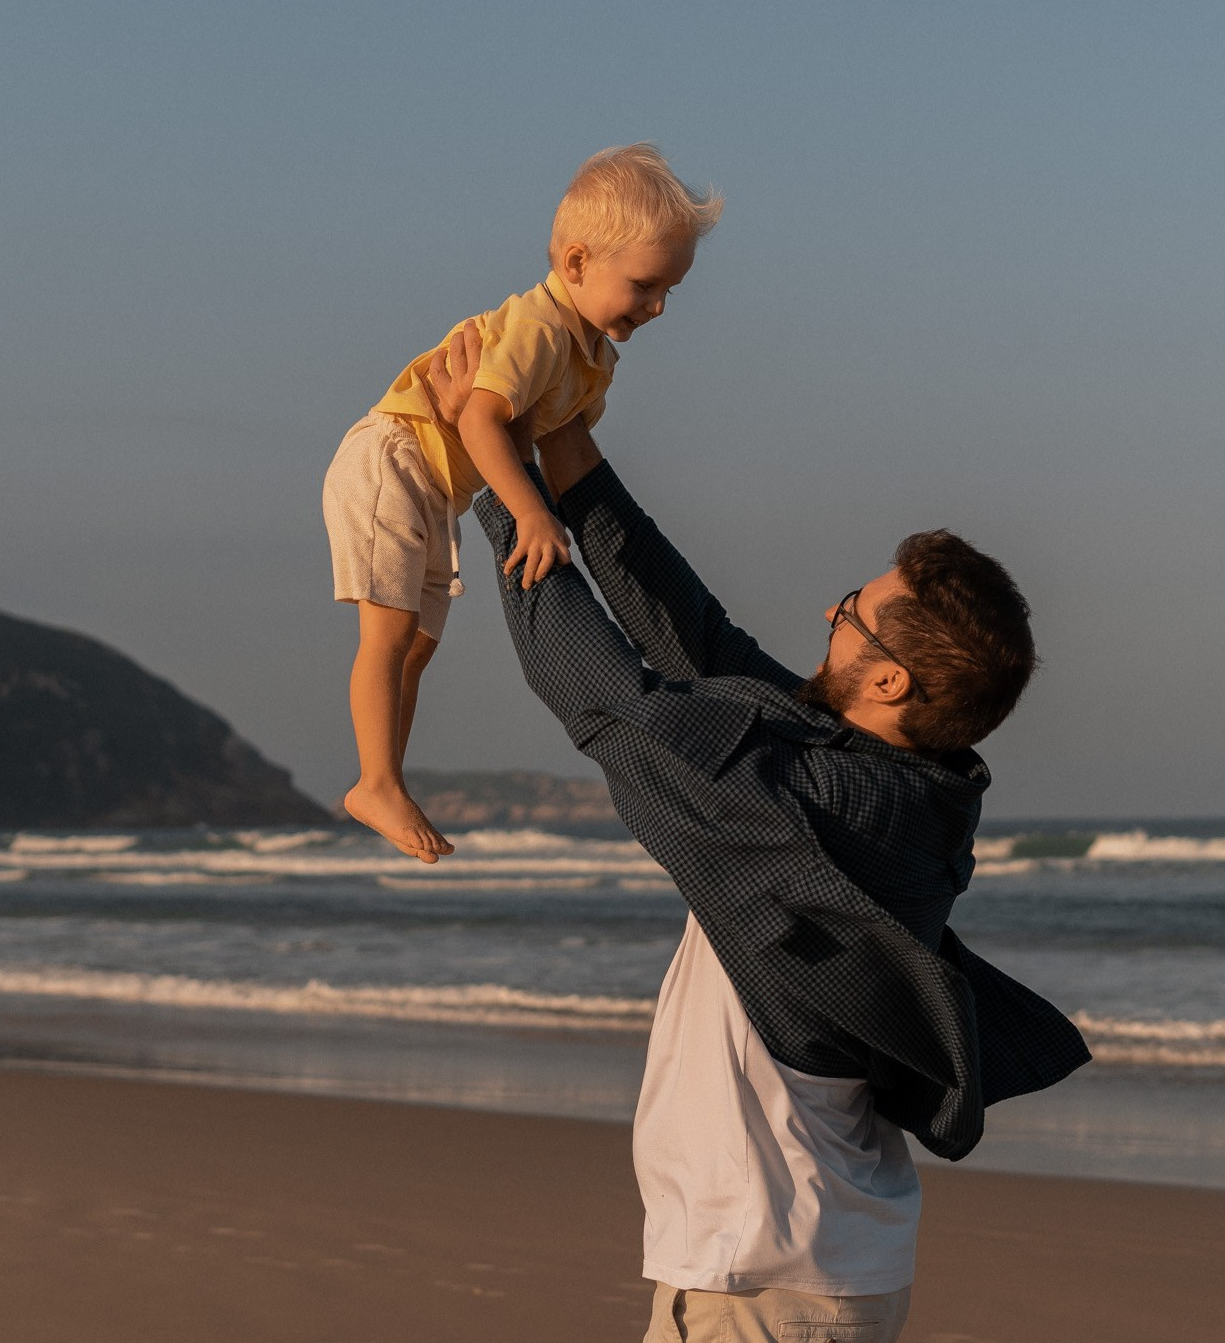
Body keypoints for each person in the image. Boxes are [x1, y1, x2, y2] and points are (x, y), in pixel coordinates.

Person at [440, 352, 1091, 1340]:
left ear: (890, 684)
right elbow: (700, 643)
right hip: (822, 1267)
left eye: (851, 616)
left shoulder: (807, 810)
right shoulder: (904, 788)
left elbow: (613, 707)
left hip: (762, 1283)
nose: (829, 618)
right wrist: (565, 445)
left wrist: (502, 491)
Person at [320, 143, 720, 863]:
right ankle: (374, 781)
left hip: (437, 486)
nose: (657, 306)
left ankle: (387, 777)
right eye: (643, 285)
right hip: (395, 456)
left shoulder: (593, 359)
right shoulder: (538, 330)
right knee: (389, 632)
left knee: (417, 646)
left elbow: (544, 445)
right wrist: (532, 514)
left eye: (669, 292)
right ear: (575, 263)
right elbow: (479, 420)